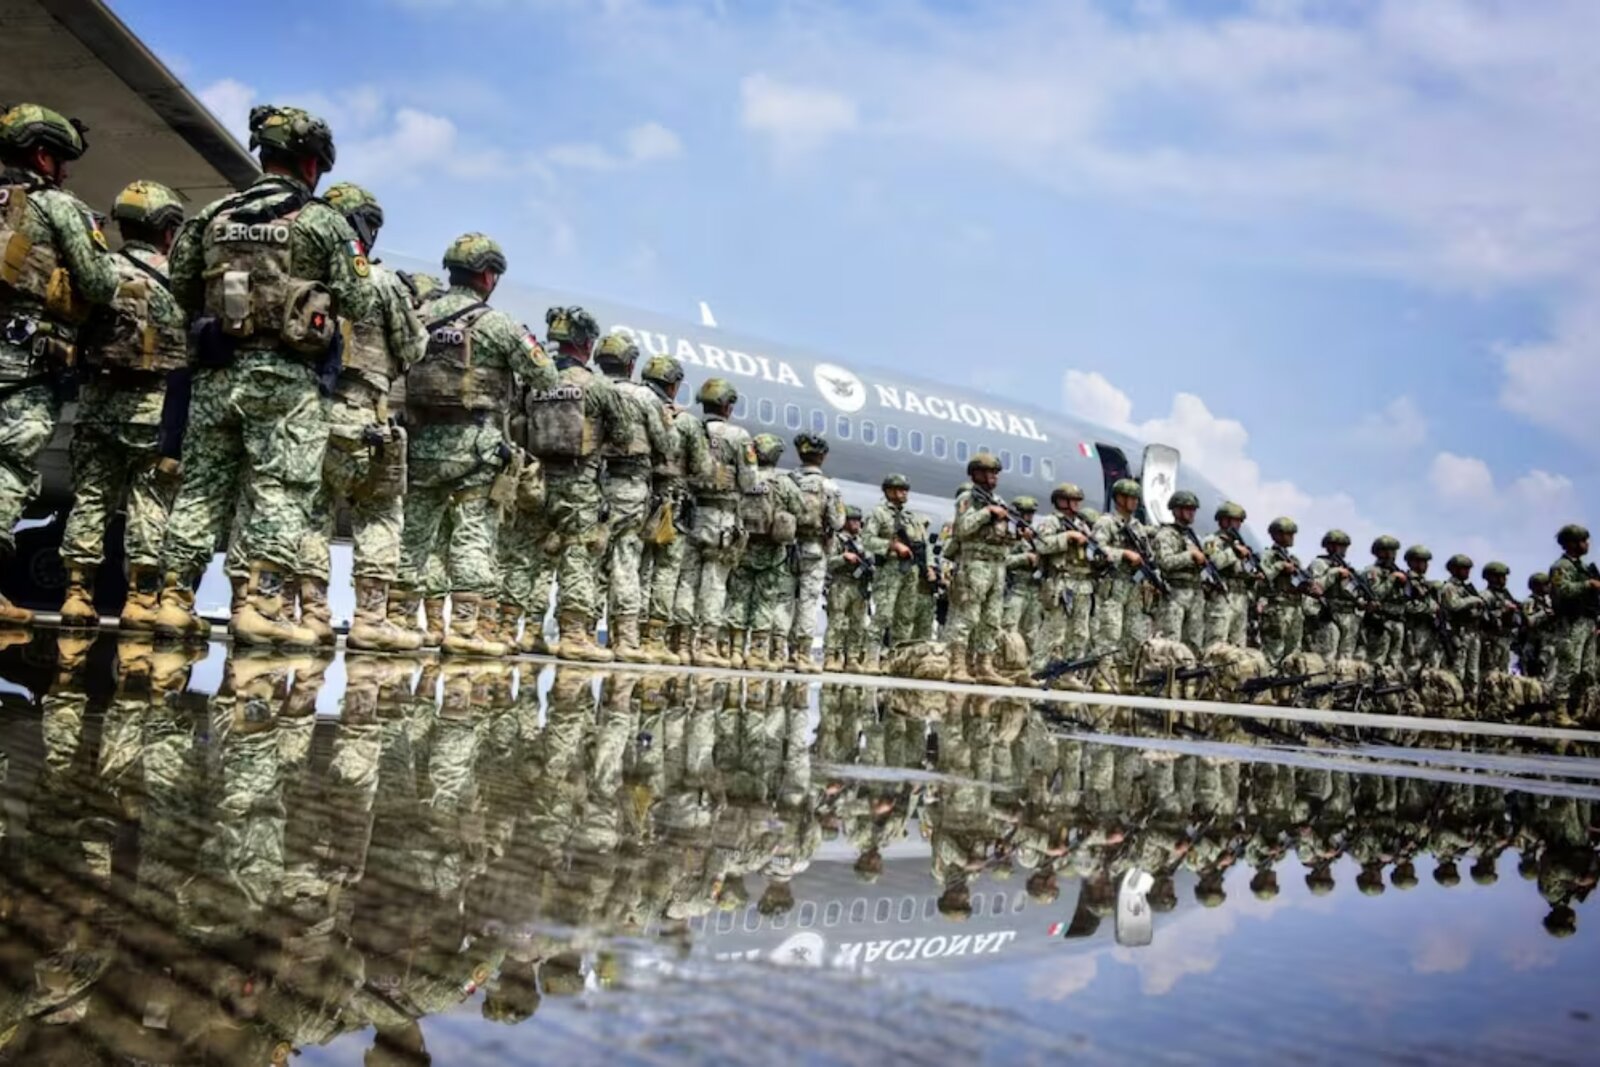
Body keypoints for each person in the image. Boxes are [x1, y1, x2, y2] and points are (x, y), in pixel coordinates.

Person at [155, 104, 373, 646]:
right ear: (312, 164)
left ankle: (172, 601)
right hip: (286, 381)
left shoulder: (212, 216)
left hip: (216, 376)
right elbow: (360, 299)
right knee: (280, 490)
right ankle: (261, 605)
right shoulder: (323, 222)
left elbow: (180, 288)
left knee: (201, 489)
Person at [389, 232, 555, 656]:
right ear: (487, 276)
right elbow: (545, 377)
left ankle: (398, 621)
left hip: (421, 444)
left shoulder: (420, 315)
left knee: (414, 534)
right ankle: (464, 629)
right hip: (474, 448)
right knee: (472, 535)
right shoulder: (497, 324)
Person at [0, 103, 118, 626]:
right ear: (43, 157)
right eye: (62, 161)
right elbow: (100, 282)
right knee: (9, 467)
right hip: (25, 362)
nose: (66, 172)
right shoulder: (56, 205)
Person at [299, 181, 424, 651]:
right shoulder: (380, 282)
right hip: (362, 417)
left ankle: (311, 614)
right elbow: (413, 346)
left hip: (308, 413)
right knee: (380, 513)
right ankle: (371, 619)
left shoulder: (304, 279)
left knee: (311, 511)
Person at [57, 180, 185, 631]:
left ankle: (76, 595)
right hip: (153, 411)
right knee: (149, 501)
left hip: (96, 406)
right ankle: (140, 600)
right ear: (167, 229)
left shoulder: (100, 272)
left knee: (91, 498)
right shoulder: (178, 281)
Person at [522, 306, 627, 662]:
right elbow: (623, 436)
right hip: (579, 483)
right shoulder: (597, 386)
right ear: (586, 344)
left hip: (535, 480)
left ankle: (526, 630)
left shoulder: (537, 380)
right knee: (578, 557)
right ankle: (573, 636)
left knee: (534, 557)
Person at [593, 331, 673, 663]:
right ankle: (625, 639)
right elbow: (665, 445)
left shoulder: (591, 388)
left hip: (592, 484)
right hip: (629, 487)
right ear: (630, 364)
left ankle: (579, 633)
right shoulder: (644, 397)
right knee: (626, 561)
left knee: (592, 561)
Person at [670, 377, 758, 667]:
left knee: (686, 579)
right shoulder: (738, 436)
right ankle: (706, 646)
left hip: (689, 515)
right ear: (728, 406)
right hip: (721, 519)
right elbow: (749, 481)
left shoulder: (690, 428)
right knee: (715, 582)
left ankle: (681, 645)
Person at [638, 354, 706, 664]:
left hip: (641, 495)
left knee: (636, 565)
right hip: (672, 505)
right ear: (674, 385)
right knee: (666, 570)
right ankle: (653, 640)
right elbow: (702, 467)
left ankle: (626, 634)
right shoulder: (685, 421)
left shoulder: (635, 403)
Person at [726, 433, 803, 670]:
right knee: (765, 601)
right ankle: (757, 654)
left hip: (743, 547)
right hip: (772, 552)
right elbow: (800, 510)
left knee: (739, 598)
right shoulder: (784, 483)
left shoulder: (744, 479)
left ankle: (735, 651)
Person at [942, 452, 1018, 684]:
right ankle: (957, 665)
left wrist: (1015, 533)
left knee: (992, 618)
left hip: (997, 565)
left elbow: (1006, 536)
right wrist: (987, 513)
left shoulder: (999, 500)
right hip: (974, 564)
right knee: (968, 615)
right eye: (988, 472)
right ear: (976, 474)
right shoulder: (967, 498)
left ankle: (984, 666)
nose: (993, 476)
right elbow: (962, 528)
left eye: (995, 472)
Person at [783, 433, 843, 672]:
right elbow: (838, 521)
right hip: (814, 549)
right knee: (808, 601)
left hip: (787, 548)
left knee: (784, 599)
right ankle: (802, 655)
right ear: (822, 457)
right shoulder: (828, 486)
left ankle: (779, 652)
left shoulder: (787, 481)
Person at [862, 474, 929, 670]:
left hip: (910, 571)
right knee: (883, 615)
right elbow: (867, 540)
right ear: (888, 491)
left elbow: (922, 544)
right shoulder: (879, 513)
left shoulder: (911, 517)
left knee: (905, 617)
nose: (903, 493)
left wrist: (928, 568)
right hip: (889, 571)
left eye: (905, 490)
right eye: (899, 489)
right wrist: (892, 546)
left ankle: (897, 660)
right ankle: (871, 659)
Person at [1029, 483, 1099, 670]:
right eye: (1072, 500)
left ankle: (1069, 672)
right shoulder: (1051, 522)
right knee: (1054, 629)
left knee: (1079, 632)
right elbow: (1041, 544)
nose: (1077, 504)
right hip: (1061, 582)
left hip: (1083, 582)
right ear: (1061, 501)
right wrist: (1067, 537)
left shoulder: (1081, 524)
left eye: (1078, 500)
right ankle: (1038, 668)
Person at [1092, 478, 1154, 674]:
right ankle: (1102, 675)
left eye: (1136, 498)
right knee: (1110, 632)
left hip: (1134, 586)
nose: (1135, 502)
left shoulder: (1137, 527)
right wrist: (1123, 554)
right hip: (1113, 585)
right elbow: (1095, 551)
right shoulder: (1106, 523)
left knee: (1134, 634)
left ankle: (1125, 675)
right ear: (1119, 498)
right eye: (1131, 498)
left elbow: (1148, 554)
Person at [1547, 524, 1599, 713]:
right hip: (1571, 623)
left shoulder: (1584, 568)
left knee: (1587, 670)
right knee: (1569, 668)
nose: (1587, 544)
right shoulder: (1560, 567)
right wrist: (1587, 585)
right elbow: (1560, 590)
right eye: (1582, 541)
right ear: (1571, 543)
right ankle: (1560, 710)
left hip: (1588, 621)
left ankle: (1577, 709)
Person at [1151, 489, 1210, 652]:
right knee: (1170, 645)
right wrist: (1190, 556)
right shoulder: (1166, 535)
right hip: (1175, 595)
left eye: (1193, 509)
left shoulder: (1193, 537)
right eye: (1187, 509)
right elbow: (1165, 562)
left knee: (1193, 644)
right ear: (1176, 510)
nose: (1192, 513)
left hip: (1195, 593)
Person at [823, 505, 872, 672]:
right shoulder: (837, 540)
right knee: (836, 622)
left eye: (858, 521)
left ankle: (852, 657)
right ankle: (831, 656)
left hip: (859, 586)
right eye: (853, 520)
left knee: (858, 624)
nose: (856, 524)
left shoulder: (863, 541)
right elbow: (828, 562)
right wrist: (843, 558)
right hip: (841, 584)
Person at [1258, 517, 1311, 666]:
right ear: (1277, 535)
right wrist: (1280, 567)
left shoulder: (1293, 559)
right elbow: (1261, 579)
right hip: (1277, 609)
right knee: (1273, 653)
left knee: (1293, 655)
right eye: (1289, 534)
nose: (1292, 537)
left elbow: (1300, 584)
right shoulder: (1268, 556)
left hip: (1295, 608)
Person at [1202, 501, 1256, 649]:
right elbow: (1215, 562)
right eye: (1235, 520)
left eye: (1240, 521)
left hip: (1240, 598)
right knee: (1217, 643)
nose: (1238, 525)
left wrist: (1253, 575)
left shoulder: (1240, 544)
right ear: (1224, 520)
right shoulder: (1210, 541)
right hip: (1221, 598)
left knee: (1238, 645)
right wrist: (1235, 552)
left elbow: (1244, 572)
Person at [1306, 530, 1363, 661]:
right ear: (1330, 546)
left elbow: (1353, 592)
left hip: (1349, 616)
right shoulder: (1319, 563)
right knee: (1327, 656)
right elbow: (1315, 587)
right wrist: (1334, 573)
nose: (1344, 549)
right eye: (1340, 545)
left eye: (1345, 546)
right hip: (1328, 615)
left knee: (1346, 657)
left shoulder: (1346, 567)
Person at [1440, 553, 1487, 699]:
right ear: (1454, 569)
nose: (1467, 572)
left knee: (1473, 672)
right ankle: (1455, 699)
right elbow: (1453, 605)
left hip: (1472, 632)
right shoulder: (1449, 587)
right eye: (1464, 569)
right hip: (1458, 633)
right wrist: (1472, 600)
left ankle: (1471, 701)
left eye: (1468, 569)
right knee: (1458, 670)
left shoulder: (1467, 588)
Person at [1002, 495, 1043, 662]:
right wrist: (1024, 558)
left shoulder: (1034, 536)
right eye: (1025, 513)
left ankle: (1029, 665)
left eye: (1031, 513)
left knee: (1032, 631)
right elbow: (1002, 560)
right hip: (1015, 589)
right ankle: (1005, 663)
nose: (1028, 517)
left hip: (1034, 589)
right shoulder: (1009, 534)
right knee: (1009, 628)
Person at [1362, 535, 1408, 669]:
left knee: (1394, 661)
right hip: (1381, 621)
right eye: (1385, 551)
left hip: (1398, 620)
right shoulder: (1372, 571)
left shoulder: (1400, 573)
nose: (1390, 554)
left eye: (1393, 551)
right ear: (1377, 552)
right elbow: (1376, 594)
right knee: (1377, 661)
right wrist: (1391, 579)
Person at [1401, 545, 1442, 677]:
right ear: (1411, 562)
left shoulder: (1426, 584)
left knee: (1431, 666)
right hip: (1414, 629)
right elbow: (1405, 605)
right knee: (1413, 666)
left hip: (1430, 629)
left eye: (1425, 562)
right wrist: (1429, 609)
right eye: (1420, 561)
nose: (1424, 565)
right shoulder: (1406, 581)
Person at [1479, 561, 1520, 677]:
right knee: (1490, 674)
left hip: (1506, 639)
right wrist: (1502, 612)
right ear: (1492, 578)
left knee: (1504, 674)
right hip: (1492, 640)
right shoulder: (1486, 595)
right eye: (1501, 576)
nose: (1504, 579)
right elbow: (1483, 617)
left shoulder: (1506, 595)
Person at [1522, 572, 1554, 680]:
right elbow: (1529, 621)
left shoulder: (1549, 601)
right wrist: (1544, 614)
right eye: (1545, 584)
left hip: (1547, 643)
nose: (1549, 586)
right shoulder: (1530, 602)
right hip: (1533, 643)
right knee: (1532, 676)